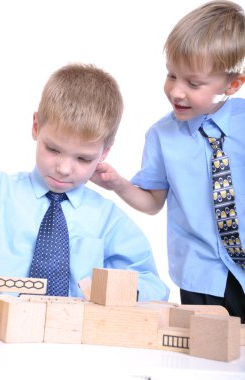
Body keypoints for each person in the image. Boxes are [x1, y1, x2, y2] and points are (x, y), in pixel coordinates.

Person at [91, 1, 245, 322]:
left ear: (232, 85)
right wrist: (118, 184)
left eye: (193, 83)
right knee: (209, 358)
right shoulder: (161, 135)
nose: (176, 90)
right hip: (200, 275)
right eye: (171, 75)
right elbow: (152, 203)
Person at [0, 63, 169, 301]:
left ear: (105, 152)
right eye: (53, 149)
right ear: (36, 127)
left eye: (83, 158)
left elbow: (152, 285)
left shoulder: (108, 220)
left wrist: (118, 293)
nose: (64, 169)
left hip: (75, 334)